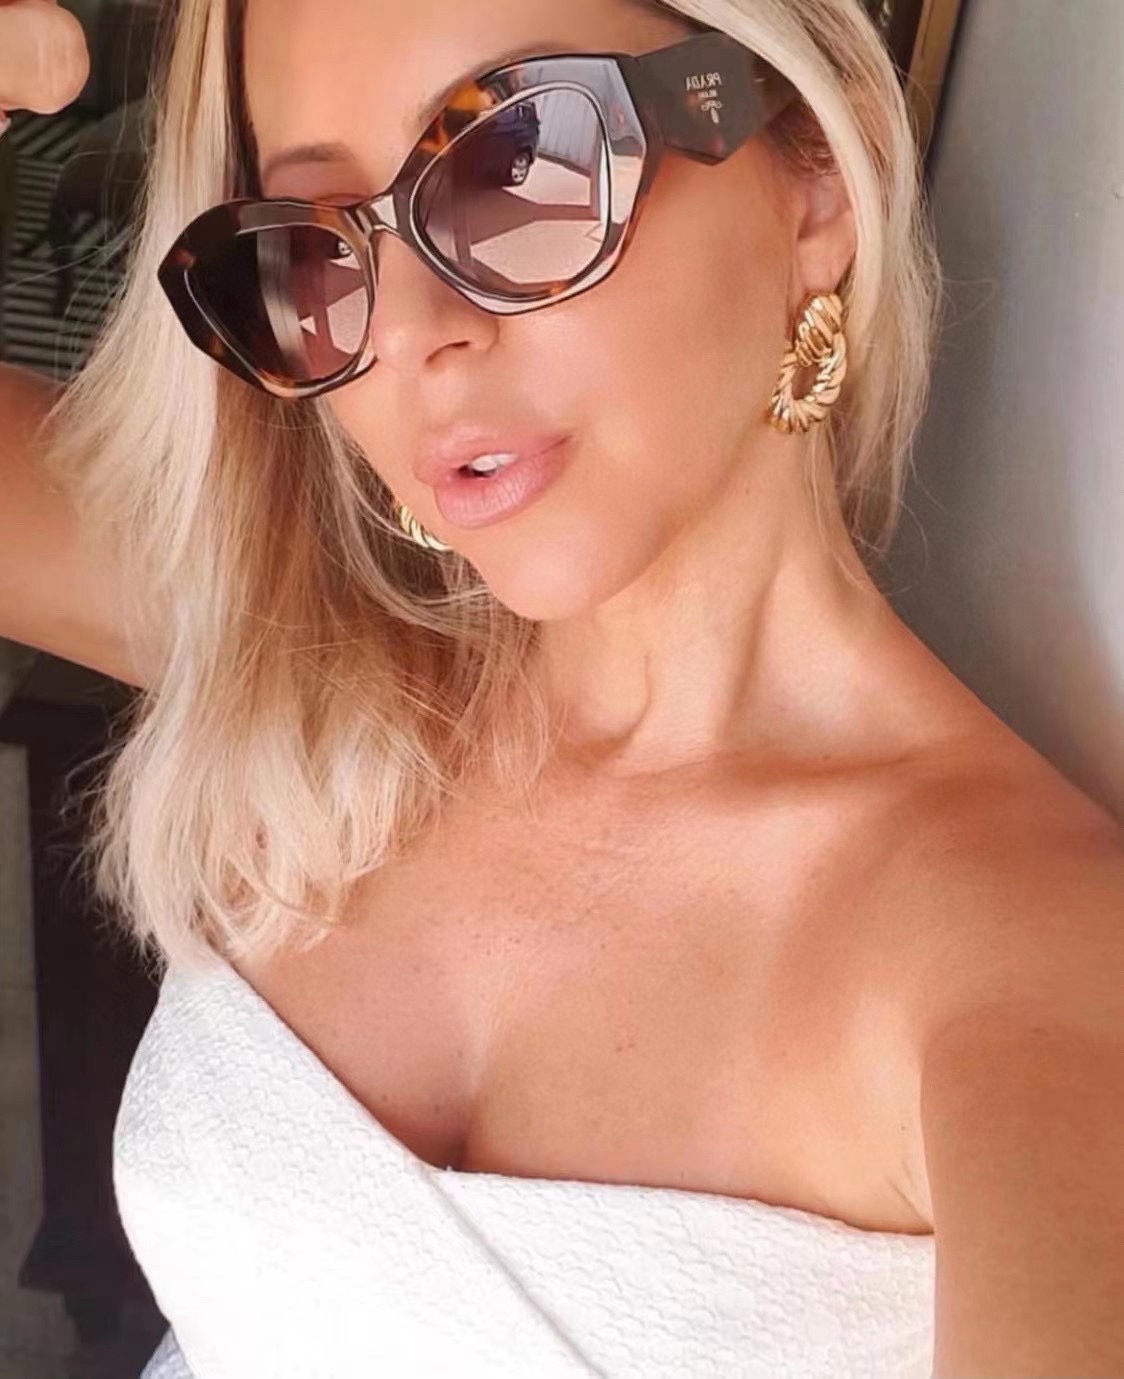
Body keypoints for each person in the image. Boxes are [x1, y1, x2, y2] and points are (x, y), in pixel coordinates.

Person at [1, 1, 1122, 1376]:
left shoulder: (1031, 964)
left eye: (518, 162)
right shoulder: (319, 679)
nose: (411, 332)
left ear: (815, 184)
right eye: (319, 244)